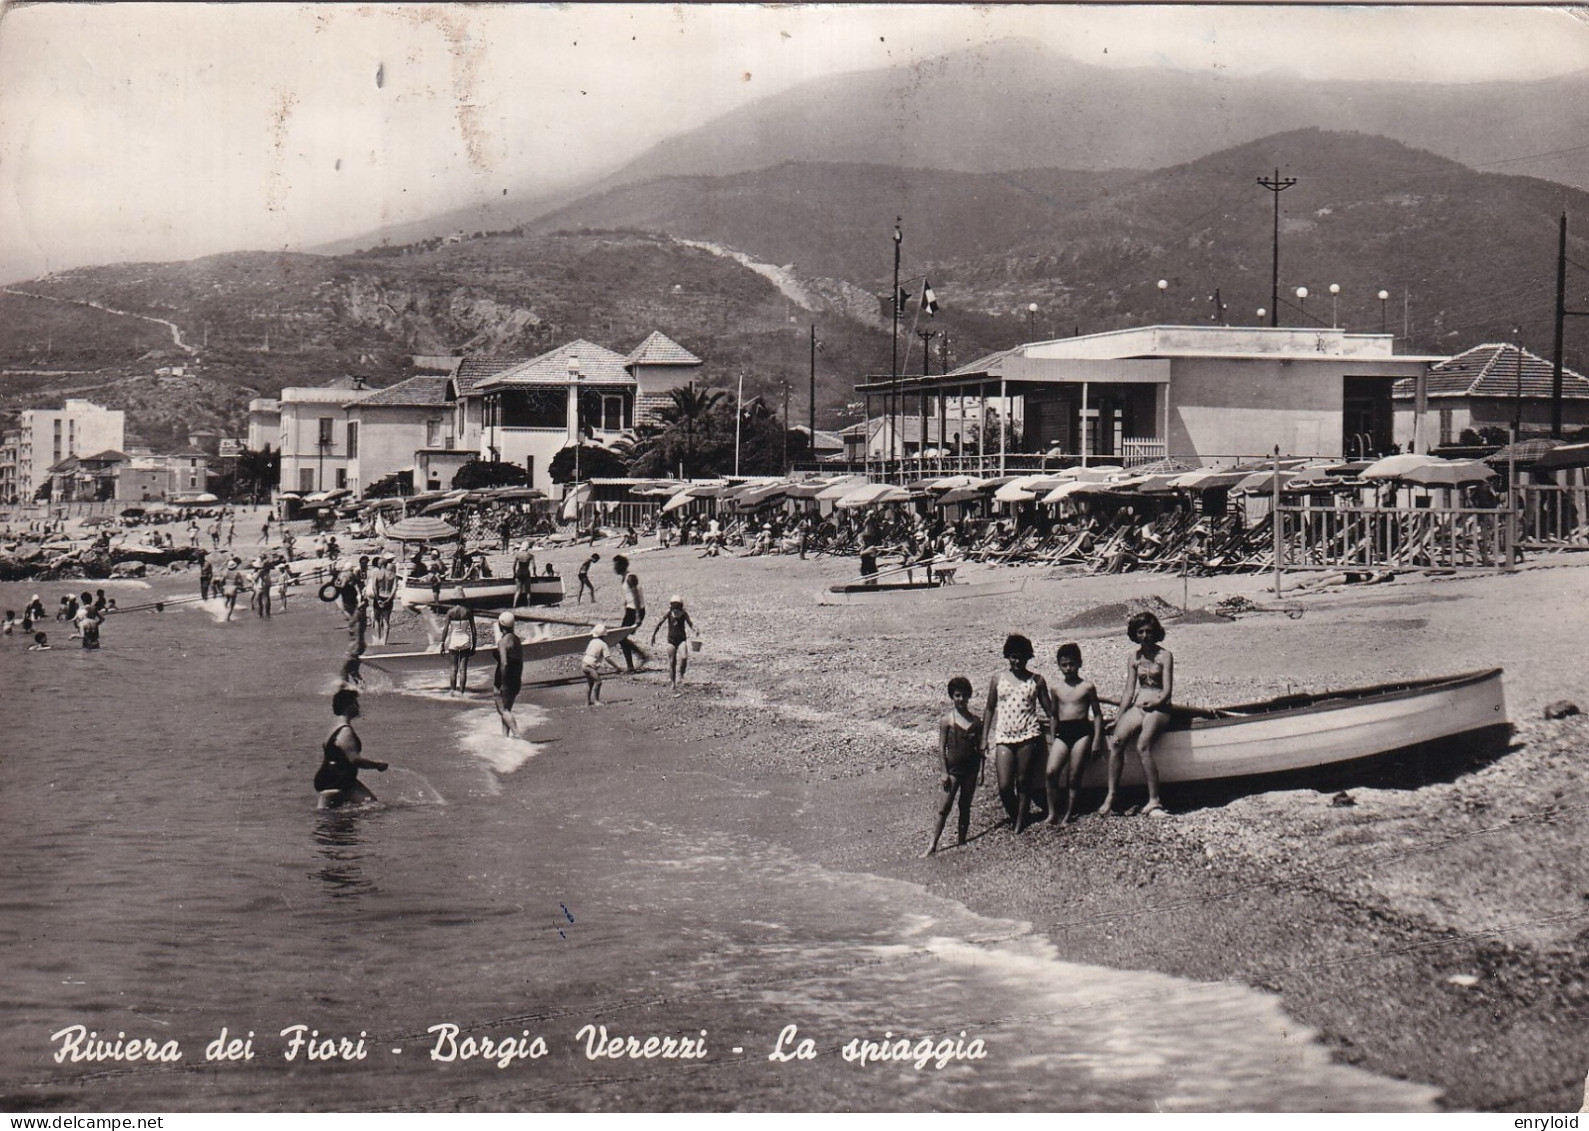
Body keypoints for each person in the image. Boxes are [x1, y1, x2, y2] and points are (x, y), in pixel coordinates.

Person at [982, 633, 1054, 833]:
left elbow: (1050, 711)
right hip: (1004, 735)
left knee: (1023, 781)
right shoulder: (998, 679)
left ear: (1028, 657)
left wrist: (1057, 734)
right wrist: (984, 739)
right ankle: (1017, 814)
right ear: (1007, 656)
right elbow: (989, 709)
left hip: (1029, 735)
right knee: (1004, 786)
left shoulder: (1037, 680)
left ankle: (1021, 821)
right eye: (1013, 656)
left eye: (1021, 657)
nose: (1017, 661)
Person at [1105, 611, 1174, 818]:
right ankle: (1112, 795)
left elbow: (1168, 690)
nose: (1145, 635)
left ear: (1156, 632)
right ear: (1135, 634)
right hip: (1139, 707)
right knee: (1116, 741)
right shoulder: (1134, 657)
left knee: (1142, 746)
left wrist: (1156, 702)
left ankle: (1154, 800)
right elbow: (1128, 691)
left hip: (1160, 707)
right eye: (1140, 632)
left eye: (1149, 631)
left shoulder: (1165, 656)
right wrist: (1119, 716)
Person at [1046, 643, 1105, 825]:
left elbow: (1096, 714)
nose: (1068, 668)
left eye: (1072, 664)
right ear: (1058, 665)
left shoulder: (1087, 687)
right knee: (1050, 772)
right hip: (1063, 732)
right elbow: (1054, 715)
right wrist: (1052, 737)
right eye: (1064, 665)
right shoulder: (1055, 689)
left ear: (1079, 663)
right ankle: (1052, 812)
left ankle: (1069, 812)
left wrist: (1096, 740)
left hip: (1082, 732)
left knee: (1074, 774)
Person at [927, 676, 984, 855]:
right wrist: (944, 771)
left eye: (965, 696)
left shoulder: (976, 721)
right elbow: (941, 747)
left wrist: (981, 771)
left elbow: (981, 748)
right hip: (953, 771)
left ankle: (962, 841)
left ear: (969, 696)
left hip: (971, 769)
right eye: (958, 695)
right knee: (944, 808)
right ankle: (932, 845)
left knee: (965, 805)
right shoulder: (947, 720)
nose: (961, 699)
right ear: (952, 696)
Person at [314, 688, 388, 809]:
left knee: (370, 807)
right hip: (339, 781)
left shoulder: (333, 729)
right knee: (374, 807)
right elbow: (355, 760)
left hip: (331, 780)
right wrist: (377, 765)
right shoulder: (345, 731)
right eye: (355, 703)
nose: (358, 706)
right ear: (348, 706)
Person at [650, 594, 698, 686]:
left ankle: (681, 674)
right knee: (672, 662)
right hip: (671, 641)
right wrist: (654, 635)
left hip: (681, 640)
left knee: (684, 657)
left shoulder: (683, 613)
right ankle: (673, 683)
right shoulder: (668, 613)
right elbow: (659, 623)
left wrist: (695, 630)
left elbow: (690, 623)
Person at [492, 611, 525, 738]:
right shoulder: (517, 640)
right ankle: (505, 738)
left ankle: (517, 735)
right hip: (516, 678)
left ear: (501, 626)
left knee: (502, 710)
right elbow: (519, 661)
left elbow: (504, 663)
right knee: (507, 710)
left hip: (504, 679)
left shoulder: (503, 642)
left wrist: (503, 683)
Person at [440, 587, 476, 693]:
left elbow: (445, 630)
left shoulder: (450, 612)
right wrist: (474, 645)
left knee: (453, 668)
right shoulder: (468, 612)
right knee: (463, 669)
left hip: (454, 640)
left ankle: (452, 692)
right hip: (465, 639)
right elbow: (474, 631)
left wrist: (442, 644)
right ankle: (462, 693)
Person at [616, 567, 649, 672]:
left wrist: (638, 616)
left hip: (635, 611)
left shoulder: (630, 578)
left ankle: (640, 658)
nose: (614, 568)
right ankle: (636, 661)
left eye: (616, 565)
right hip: (630, 610)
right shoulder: (624, 578)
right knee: (622, 638)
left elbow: (636, 597)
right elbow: (630, 596)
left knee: (621, 638)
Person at [581, 623, 622, 707]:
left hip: (584, 664)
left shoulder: (592, 641)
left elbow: (586, 652)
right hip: (590, 666)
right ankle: (596, 701)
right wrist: (617, 667)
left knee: (590, 683)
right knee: (598, 682)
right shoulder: (604, 645)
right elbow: (607, 658)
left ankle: (587, 701)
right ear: (604, 635)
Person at [369, 553, 397, 644]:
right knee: (386, 620)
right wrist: (389, 598)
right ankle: (384, 640)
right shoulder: (393, 574)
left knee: (377, 619)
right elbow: (394, 587)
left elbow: (374, 586)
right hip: (388, 596)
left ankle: (378, 638)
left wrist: (377, 599)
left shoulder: (377, 573)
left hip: (379, 596)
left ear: (379, 564)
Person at [512, 544, 537, 608]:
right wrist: (534, 573)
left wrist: (514, 573)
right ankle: (528, 605)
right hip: (526, 573)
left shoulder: (518, 555)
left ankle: (514, 605)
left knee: (518, 590)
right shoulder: (530, 555)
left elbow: (514, 566)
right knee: (528, 591)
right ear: (528, 548)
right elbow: (534, 566)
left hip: (519, 572)